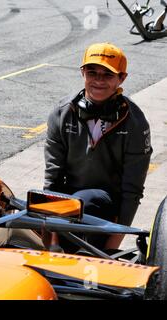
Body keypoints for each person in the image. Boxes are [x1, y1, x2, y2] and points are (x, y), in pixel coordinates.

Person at [44, 42, 152, 251]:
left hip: (107, 206)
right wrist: (53, 245)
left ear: (122, 78)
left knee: (87, 200)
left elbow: (132, 192)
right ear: (82, 73)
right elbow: (52, 181)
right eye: (92, 72)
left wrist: (111, 250)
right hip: (66, 206)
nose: (98, 81)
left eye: (108, 75)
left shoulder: (135, 123)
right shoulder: (61, 114)